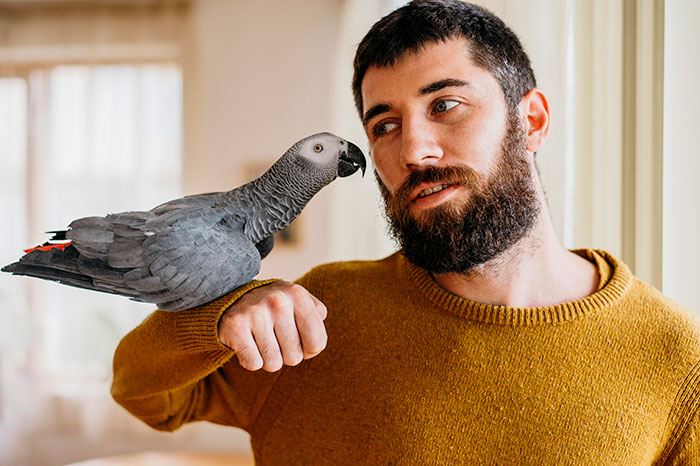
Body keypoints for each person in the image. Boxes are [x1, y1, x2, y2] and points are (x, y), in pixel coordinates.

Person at [111, 1, 700, 464]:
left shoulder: (675, 356)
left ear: (532, 121)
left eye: (445, 105)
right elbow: (143, 393)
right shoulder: (317, 314)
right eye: (385, 125)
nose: (413, 150)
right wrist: (217, 315)